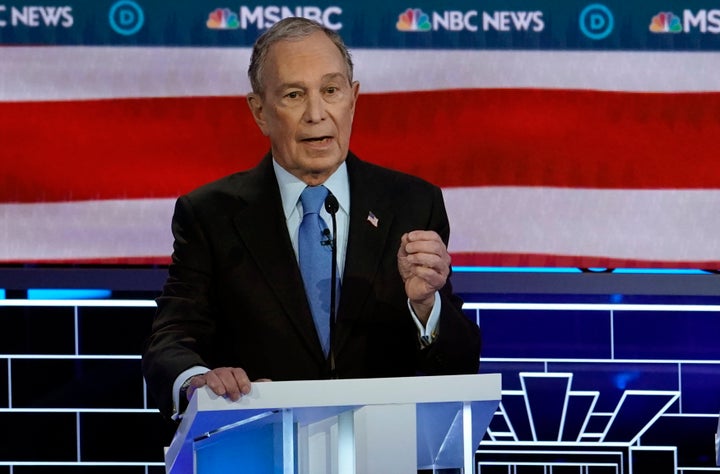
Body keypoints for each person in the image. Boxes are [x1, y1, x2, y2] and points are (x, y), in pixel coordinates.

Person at [141, 17, 481, 421]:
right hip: (260, 446)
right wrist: (198, 381)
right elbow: (172, 339)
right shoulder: (210, 214)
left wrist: (426, 306)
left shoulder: (412, 203)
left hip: (386, 450)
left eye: (331, 90)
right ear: (260, 112)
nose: (316, 113)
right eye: (293, 95)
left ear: (353, 99)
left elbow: (460, 363)